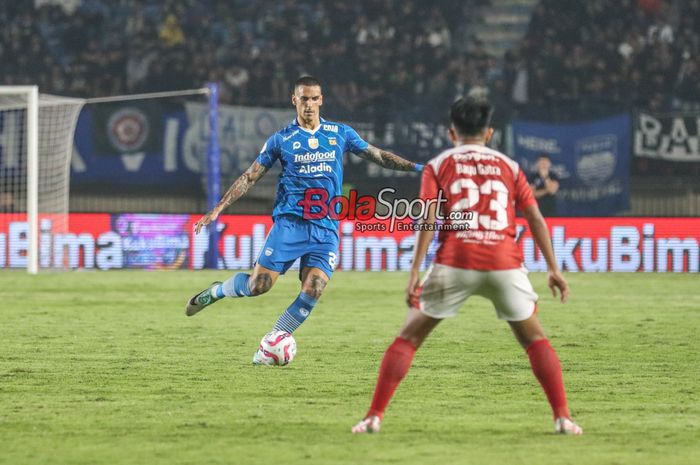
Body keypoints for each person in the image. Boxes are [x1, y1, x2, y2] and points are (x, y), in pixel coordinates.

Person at [351, 97, 582, 435]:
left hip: (456, 259)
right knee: (534, 340)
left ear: (450, 132)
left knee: (409, 337)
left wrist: (415, 270)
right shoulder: (510, 166)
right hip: (504, 260)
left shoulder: (438, 164)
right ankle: (563, 418)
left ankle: (373, 417)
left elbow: (428, 217)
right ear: (489, 132)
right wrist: (553, 268)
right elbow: (535, 217)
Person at [185, 75, 423, 364]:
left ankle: (270, 345)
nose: (309, 104)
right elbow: (250, 176)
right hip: (290, 225)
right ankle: (216, 291)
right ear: (293, 100)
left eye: (314, 98)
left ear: (321, 100)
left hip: (326, 228)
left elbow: (380, 156)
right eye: (303, 98)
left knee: (314, 288)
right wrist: (218, 209)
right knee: (258, 286)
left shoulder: (340, 133)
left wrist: (420, 168)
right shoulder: (281, 139)